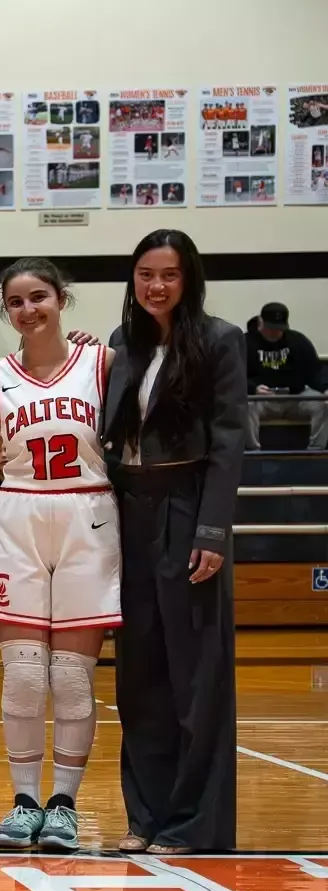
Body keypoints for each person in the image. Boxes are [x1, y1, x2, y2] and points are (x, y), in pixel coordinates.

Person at [105, 230, 247, 853]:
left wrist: (212, 528)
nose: (155, 286)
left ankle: (196, 824)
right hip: (129, 511)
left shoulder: (219, 340)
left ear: (188, 278)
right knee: (140, 678)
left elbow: (227, 441)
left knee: (196, 679)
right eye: (144, 275)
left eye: (167, 275)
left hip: (188, 511)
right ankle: (148, 818)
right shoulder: (122, 343)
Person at [0, 258, 119, 853]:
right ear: (5, 312)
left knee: (70, 676)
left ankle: (63, 803)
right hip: (18, 515)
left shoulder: (102, 363)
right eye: (16, 302)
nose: (29, 309)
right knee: (22, 674)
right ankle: (22, 801)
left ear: (62, 299)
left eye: (39, 297)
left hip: (87, 517)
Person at [243, 302, 325, 450]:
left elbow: (315, 371)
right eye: (271, 328)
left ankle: (316, 452)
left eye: (279, 329)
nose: (275, 333)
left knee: (324, 404)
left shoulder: (297, 341)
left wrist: (326, 388)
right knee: (245, 406)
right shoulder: (245, 343)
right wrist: (253, 388)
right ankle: (254, 454)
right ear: (260, 322)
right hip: (262, 400)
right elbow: (234, 376)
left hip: (295, 397)